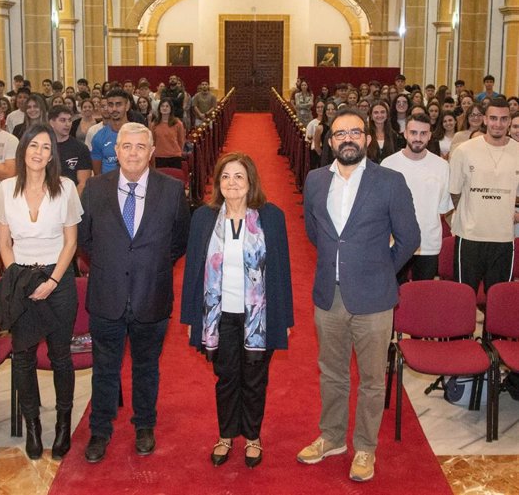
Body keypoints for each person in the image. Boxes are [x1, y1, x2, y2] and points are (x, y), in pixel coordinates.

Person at [298, 108, 420, 482]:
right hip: (328, 297)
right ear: (329, 141)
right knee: (331, 374)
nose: (347, 138)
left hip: (374, 299)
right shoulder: (315, 180)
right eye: (339, 134)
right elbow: (314, 233)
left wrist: (380, 269)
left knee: (371, 380)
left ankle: (365, 448)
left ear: (367, 139)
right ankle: (332, 437)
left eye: (355, 132)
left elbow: (410, 238)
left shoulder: (390, 181)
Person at [78, 122, 190, 463]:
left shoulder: (172, 190)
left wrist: (147, 263)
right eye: (127, 147)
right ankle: (100, 430)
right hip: (107, 293)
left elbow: (178, 241)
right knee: (105, 368)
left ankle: (144, 425)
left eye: (141, 147)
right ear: (116, 150)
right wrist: (115, 263)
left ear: (152, 152)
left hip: (151, 294)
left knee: (146, 367)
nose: (133, 153)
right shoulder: (95, 189)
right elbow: (86, 241)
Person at [181, 152, 293, 469]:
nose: (232, 182)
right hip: (219, 316)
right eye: (226, 176)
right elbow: (192, 271)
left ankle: (253, 437)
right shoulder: (204, 218)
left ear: (250, 182)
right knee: (226, 376)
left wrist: (284, 319)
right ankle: (226, 435)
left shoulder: (271, 217)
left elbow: (282, 271)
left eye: (239, 176)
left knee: (255, 379)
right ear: (218, 182)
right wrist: (191, 318)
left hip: (260, 316)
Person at [0, 123, 84, 460]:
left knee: (60, 356)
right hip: (20, 279)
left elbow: (71, 242)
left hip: (57, 280)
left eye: (46, 147)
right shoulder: (4, 189)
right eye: (33, 146)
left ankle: (61, 426)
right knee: (24, 357)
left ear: (52, 155)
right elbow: (3, 241)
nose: (39, 152)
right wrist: (18, 277)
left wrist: (53, 281)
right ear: (23, 149)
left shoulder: (66, 188)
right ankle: (32, 427)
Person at [449, 98, 519, 295]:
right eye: (493, 118)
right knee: (464, 297)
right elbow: (455, 192)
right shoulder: (464, 150)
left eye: (503, 119)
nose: (498, 124)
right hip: (470, 237)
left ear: (508, 121)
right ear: (485, 120)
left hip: (503, 239)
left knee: (498, 299)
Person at [381, 114, 453, 282]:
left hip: (428, 244)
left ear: (429, 135)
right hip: (395, 244)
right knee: (394, 296)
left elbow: (443, 209)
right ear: (405, 133)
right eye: (413, 133)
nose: (418, 138)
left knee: (423, 299)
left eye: (423, 133)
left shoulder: (442, 166)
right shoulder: (388, 164)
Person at [49, 105, 92, 196]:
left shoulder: (81, 148)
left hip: (71, 198)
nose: (67, 124)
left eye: (69, 120)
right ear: (52, 122)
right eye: (62, 120)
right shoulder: (44, 146)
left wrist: (73, 206)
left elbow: (83, 183)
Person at [91, 88, 130, 175]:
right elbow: (97, 174)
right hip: (108, 186)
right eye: (110, 105)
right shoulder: (99, 137)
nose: (114, 109)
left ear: (127, 106)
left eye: (118, 104)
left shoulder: (139, 133)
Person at [150, 98, 186, 169]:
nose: (164, 108)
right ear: (159, 108)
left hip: (174, 156)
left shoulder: (178, 123)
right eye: (162, 106)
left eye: (167, 106)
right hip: (159, 156)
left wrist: (178, 151)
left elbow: (181, 140)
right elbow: (152, 141)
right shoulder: (154, 124)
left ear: (171, 109)